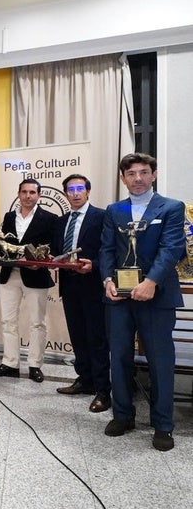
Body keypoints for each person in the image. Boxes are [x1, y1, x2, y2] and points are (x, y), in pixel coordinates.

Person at [100, 153, 185, 451]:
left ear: (154, 175)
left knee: (160, 361)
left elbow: (172, 248)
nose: (137, 178)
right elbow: (107, 250)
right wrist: (107, 280)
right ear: (123, 178)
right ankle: (123, 415)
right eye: (131, 173)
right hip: (120, 297)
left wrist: (151, 282)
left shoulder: (171, 208)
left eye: (143, 172)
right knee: (119, 356)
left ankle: (162, 425)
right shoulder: (114, 210)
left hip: (156, 296)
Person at [0, 179, 57, 383]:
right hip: (10, 274)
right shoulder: (9, 217)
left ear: (39, 195)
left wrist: (42, 263)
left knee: (37, 323)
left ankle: (35, 365)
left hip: (36, 275)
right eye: (24, 192)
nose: (28, 196)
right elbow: (3, 245)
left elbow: (53, 247)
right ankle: (10, 363)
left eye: (32, 192)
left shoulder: (49, 218)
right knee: (8, 322)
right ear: (18, 194)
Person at [53, 174, 110, 413]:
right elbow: (57, 252)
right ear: (65, 193)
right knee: (77, 336)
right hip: (69, 284)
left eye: (79, 189)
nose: (75, 193)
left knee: (96, 338)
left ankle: (102, 391)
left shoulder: (101, 216)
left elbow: (109, 251)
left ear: (88, 191)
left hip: (93, 285)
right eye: (70, 190)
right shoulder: (62, 220)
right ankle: (84, 379)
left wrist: (94, 265)